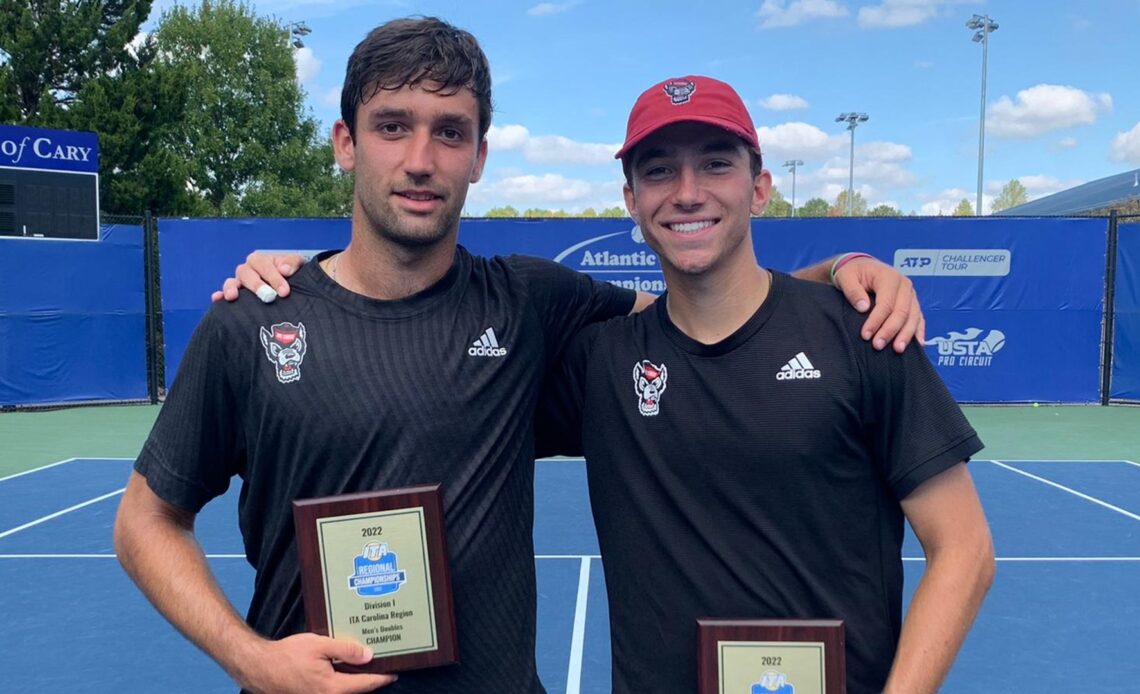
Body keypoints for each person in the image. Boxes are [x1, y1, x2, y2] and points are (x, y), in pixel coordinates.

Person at [122, 17, 924, 694]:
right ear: (345, 143)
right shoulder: (254, 322)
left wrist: (832, 279)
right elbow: (145, 524)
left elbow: (705, 310)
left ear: (479, 156)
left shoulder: (530, 303)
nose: (421, 159)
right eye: (392, 125)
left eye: (451, 132)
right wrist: (252, 659)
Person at [536, 76, 995, 694]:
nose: (688, 193)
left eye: (716, 166)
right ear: (631, 199)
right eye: (660, 171)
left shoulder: (864, 336)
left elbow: (964, 549)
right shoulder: (602, 363)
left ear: (759, 190)